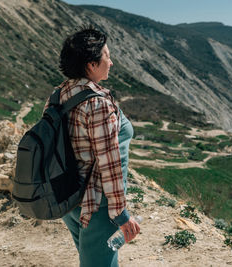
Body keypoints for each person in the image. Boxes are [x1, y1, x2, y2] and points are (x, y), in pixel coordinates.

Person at [44, 26, 140, 267]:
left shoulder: (59, 94)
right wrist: (121, 215)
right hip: (97, 204)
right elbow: (110, 163)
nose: (111, 61)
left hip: (68, 197)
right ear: (91, 64)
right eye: (107, 55)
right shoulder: (98, 104)